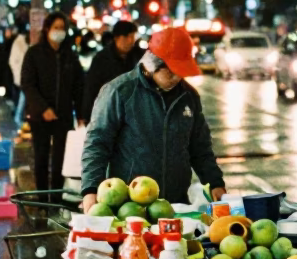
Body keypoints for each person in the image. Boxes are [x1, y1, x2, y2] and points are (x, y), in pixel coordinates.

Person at [81, 26, 226, 211]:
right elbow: (97, 144)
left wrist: (215, 182)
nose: (176, 77)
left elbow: (200, 148)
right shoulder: (119, 92)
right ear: (152, 64)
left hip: (175, 205)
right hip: (129, 206)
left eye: (181, 71)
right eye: (171, 70)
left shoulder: (188, 96)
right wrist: (90, 190)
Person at [21, 12, 84, 191]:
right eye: (56, 27)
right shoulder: (34, 53)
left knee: (61, 160)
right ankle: (42, 198)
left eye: (63, 28)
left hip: (63, 116)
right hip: (39, 116)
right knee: (41, 157)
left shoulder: (70, 56)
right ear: (47, 29)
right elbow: (28, 84)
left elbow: (78, 87)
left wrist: (80, 115)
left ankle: (56, 198)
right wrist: (43, 108)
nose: (59, 32)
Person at [81, 20, 141, 124]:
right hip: (108, 116)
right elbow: (91, 88)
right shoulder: (102, 58)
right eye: (127, 37)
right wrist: (87, 115)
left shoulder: (138, 57)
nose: (131, 41)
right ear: (117, 38)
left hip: (134, 117)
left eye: (133, 37)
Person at [7, 24, 29, 125]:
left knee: (23, 98)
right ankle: (18, 117)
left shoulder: (23, 43)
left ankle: (19, 117)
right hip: (22, 77)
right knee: (22, 98)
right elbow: (13, 61)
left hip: (24, 77)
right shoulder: (18, 43)